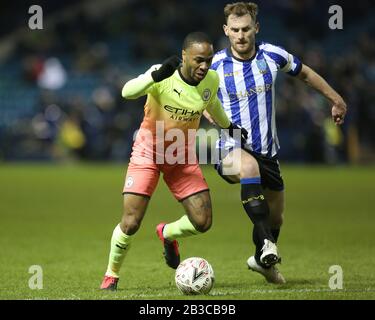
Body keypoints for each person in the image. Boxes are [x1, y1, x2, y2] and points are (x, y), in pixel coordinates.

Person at [205, 2, 347, 284]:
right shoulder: (216, 64)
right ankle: (269, 245)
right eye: (235, 30)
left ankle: (262, 260)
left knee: (276, 217)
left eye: (246, 29)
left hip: (267, 151)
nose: (241, 35)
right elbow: (196, 93)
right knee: (248, 168)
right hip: (230, 145)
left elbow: (305, 73)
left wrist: (336, 99)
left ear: (256, 28)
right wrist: (206, 109)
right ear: (226, 31)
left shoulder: (272, 55)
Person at [100, 31, 247, 290]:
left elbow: (212, 106)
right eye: (198, 60)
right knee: (131, 222)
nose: (204, 66)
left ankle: (167, 233)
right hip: (148, 152)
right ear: (184, 56)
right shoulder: (162, 74)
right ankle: (111, 275)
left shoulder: (210, 80)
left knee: (203, 222)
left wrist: (231, 128)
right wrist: (154, 76)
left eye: (209, 60)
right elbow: (126, 92)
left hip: (181, 156)